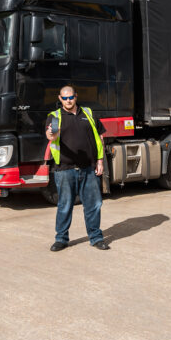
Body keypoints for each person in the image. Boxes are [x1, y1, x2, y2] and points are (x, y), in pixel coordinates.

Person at [45, 85, 109, 251]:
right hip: (64, 169)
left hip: (89, 168)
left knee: (93, 205)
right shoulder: (55, 116)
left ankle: (96, 237)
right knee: (65, 206)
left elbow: (100, 137)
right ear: (60, 99)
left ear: (76, 96)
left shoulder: (88, 113)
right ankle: (61, 239)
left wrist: (100, 161)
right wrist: (52, 134)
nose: (68, 100)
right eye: (64, 98)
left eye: (71, 97)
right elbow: (51, 136)